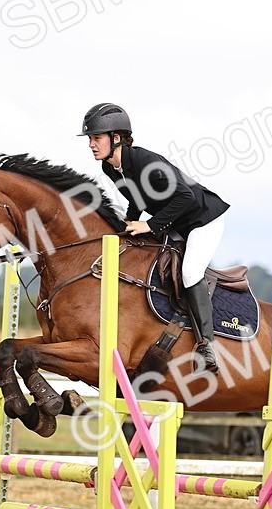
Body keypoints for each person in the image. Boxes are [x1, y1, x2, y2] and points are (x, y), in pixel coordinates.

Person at [80, 102, 229, 373]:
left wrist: (149, 225)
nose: (91, 144)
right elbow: (135, 198)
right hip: (173, 220)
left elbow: (184, 196)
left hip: (202, 220)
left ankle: (207, 345)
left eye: (96, 138)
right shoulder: (110, 168)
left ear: (116, 138)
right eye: (90, 139)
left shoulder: (145, 162)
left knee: (190, 273)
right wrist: (128, 223)